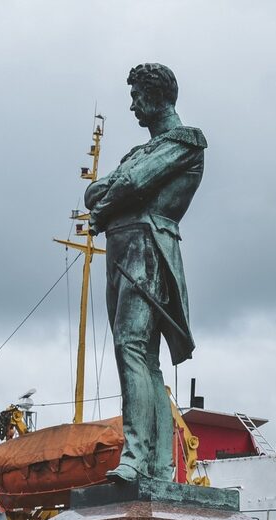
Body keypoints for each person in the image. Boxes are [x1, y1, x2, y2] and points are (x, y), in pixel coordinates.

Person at [83, 62, 205, 483]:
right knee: (134, 352)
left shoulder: (186, 142)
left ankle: (138, 457)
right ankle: (156, 465)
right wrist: (108, 197)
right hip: (121, 250)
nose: (132, 105)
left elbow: (132, 183)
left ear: (159, 96)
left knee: (132, 346)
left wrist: (106, 200)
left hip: (149, 247)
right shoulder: (139, 150)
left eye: (138, 96)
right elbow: (95, 191)